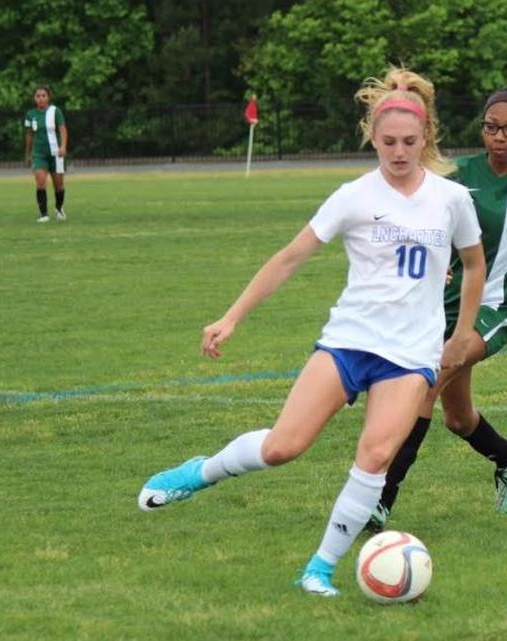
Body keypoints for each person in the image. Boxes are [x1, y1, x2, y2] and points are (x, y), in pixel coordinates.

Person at [136, 66, 486, 598]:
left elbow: (475, 264)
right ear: (373, 137)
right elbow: (290, 257)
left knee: (373, 457)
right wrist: (232, 316)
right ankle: (200, 471)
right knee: (283, 447)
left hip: (412, 353)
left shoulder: (452, 199)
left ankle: (318, 569)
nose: (398, 152)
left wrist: (462, 333)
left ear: (426, 138)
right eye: (388, 142)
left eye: (410, 142)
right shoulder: (353, 196)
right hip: (349, 340)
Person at [367, 86, 507, 532]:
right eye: (491, 127)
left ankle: (381, 500)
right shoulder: (457, 174)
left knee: (427, 382)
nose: (499, 136)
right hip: (441, 307)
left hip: (498, 306)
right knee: (458, 418)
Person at [23, 85, 68, 223]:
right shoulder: (31, 115)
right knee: (41, 182)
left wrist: (63, 146)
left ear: (48, 97)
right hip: (39, 154)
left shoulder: (55, 111)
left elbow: (62, 129)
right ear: (34, 98)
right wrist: (28, 153)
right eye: (38, 96)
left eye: (43, 95)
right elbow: (29, 134)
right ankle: (43, 214)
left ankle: (59, 209)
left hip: (55, 153)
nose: (41, 98)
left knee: (59, 185)